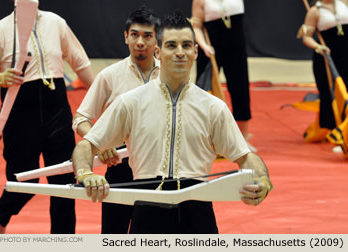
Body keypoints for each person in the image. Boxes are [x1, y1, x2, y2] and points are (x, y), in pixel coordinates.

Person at [72, 11, 273, 234]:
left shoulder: (214, 107)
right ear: (158, 51)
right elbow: (86, 146)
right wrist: (85, 174)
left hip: (197, 211)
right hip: (147, 211)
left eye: (186, 45)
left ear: (195, 52)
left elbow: (246, 156)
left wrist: (262, 179)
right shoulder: (130, 102)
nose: (180, 53)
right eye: (171, 45)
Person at [0, 2, 94, 234]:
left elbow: (80, 62)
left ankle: (62, 243)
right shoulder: (1, 29)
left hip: (57, 110)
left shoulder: (56, 22)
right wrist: (0, 77)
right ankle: (0, 215)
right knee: (23, 181)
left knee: (64, 184)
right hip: (20, 114)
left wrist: (107, 101)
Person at [72, 6, 160, 234]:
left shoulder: (170, 74)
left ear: (156, 39)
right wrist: (101, 143)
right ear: (126, 37)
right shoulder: (109, 76)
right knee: (114, 237)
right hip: (119, 166)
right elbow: (81, 117)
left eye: (147, 35)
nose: (140, 41)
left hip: (158, 168)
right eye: (135, 34)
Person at [190, 0, 255, 151]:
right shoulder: (201, 1)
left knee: (240, 88)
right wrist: (204, 46)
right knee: (204, 91)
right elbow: (197, 27)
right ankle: (201, 137)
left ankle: (243, 138)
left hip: (236, 46)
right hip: (210, 48)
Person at [298, 0, 348, 131]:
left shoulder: (344, 3)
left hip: (346, 55)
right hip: (328, 59)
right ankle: (335, 131)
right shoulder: (315, 11)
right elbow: (306, 37)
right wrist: (318, 46)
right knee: (330, 94)